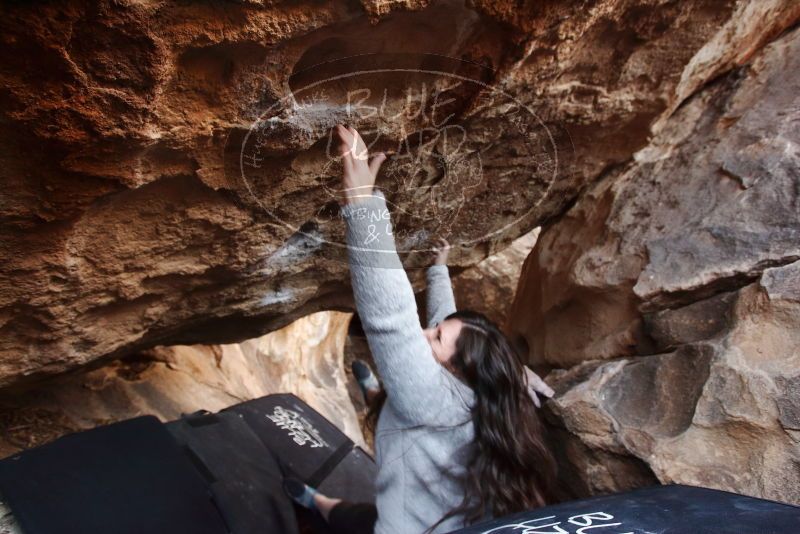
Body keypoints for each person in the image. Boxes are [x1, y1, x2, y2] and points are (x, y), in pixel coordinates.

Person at [283, 124, 558, 534]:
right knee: (352, 510)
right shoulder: (489, 398)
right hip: (415, 495)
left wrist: (362, 206)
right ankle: (325, 490)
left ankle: (370, 407)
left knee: (366, 519)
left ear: (456, 373)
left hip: (404, 528)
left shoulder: (431, 401)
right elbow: (443, 327)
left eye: (436, 339)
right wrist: (439, 271)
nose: (426, 333)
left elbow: (393, 320)